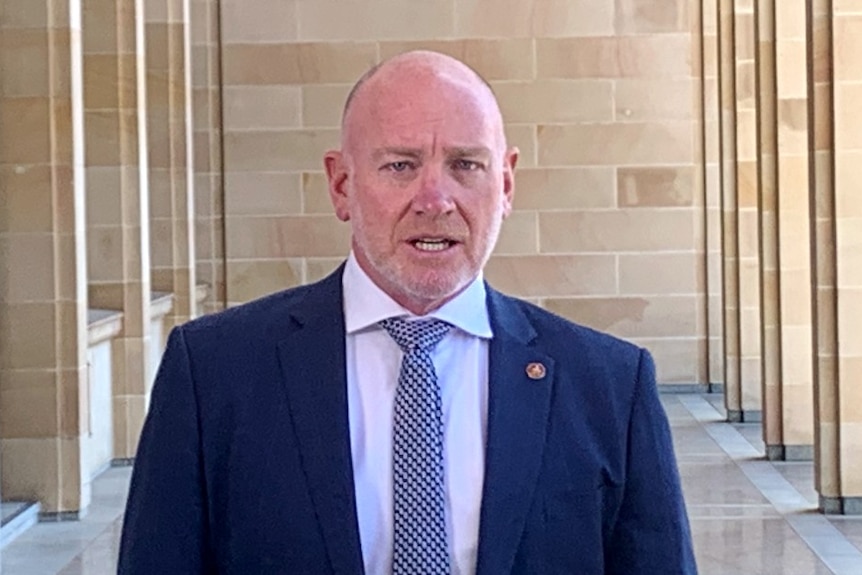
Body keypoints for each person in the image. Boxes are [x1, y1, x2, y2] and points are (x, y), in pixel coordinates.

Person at [117, 50, 698, 574]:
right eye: (400, 165)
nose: (435, 200)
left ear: (507, 183)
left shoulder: (610, 387)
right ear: (341, 185)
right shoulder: (214, 374)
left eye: (465, 165)